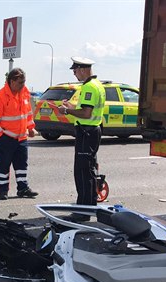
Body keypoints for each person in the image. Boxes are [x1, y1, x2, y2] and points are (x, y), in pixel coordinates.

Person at [57, 57, 106, 221]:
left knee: (83, 172)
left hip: (87, 132)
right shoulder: (96, 84)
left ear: (84, 69)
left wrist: (66, 112)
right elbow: (85, 109)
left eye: (75, 70)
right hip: (91, 131)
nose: (74, 73)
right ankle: (88, 207)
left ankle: (83, 211)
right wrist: (70, 106)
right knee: (88, 170)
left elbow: (86, 113)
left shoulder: (89, 87)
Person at [0, 68, 39, 200]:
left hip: (22, 138)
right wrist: (1, 138)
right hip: (6, 138)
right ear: (12, 81)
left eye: (24, 82)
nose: (23, 85)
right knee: (4, 165)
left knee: (22, 165)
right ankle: (3, 190)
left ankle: (23, 188)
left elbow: (27, 113)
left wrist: (31, 128)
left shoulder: (24, 93)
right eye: (20, 82)